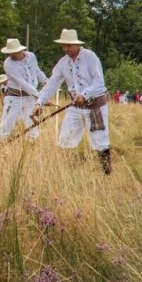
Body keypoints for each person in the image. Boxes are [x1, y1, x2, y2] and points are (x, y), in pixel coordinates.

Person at [32, 29, 112, 174]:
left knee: (100, 142)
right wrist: (40, 102)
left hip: (95, 106)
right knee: (65, 140)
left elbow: (99, 82)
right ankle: (64, 173)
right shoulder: (63, 63)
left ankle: (106, 174)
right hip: (75, 107)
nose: (66, 49)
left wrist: (85, 94)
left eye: (69, 45)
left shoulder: (90, 57)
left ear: (76, 44)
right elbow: (52, 83)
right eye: (63, 46)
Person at [0, 39, 48, 141]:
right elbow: (23, 84)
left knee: (32, 121)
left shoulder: (31, 56)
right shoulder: (8, 64)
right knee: (8, 121)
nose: (12, 55)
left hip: (30, 97)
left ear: (20, 50)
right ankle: (0, 142)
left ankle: (31, 143)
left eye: (14, 52)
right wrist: (39, 96)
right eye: (10, 53)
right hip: (15, 97)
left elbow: (37, 70)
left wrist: (47, 82)